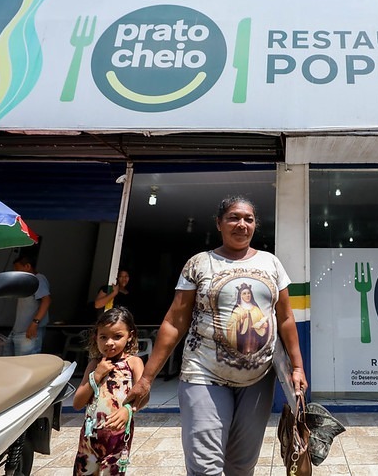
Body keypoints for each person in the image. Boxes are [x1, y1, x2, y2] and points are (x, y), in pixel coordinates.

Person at [126, 195, 308, 476]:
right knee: (205, 467)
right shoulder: (199, 263)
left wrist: (297, 367)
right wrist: (147, 379)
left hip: (258, 380)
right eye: (234, 217)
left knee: (241, 466)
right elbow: (175, 321)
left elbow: (285, 318)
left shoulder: (271, 263)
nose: (242, 224)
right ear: (219, 223)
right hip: (204, 373)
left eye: (248, 219)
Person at [73, 306, 144, 475]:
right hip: (89, 439)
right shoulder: (94, 365)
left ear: (130, 336)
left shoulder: (133, 363)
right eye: (103, 337)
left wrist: (128, 410)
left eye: (117, 336)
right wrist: (96, 376)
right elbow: (78, 403)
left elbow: (143, 394)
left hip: (118, 437)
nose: (109, 343)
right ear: (95, 337)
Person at [7, 254, 51, 356]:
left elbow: (46, 300)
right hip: (18, 331)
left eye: (17, 269)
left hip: (29, 332)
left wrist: (35, 323)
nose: (16, 272)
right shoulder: (26, 282)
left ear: (27, 266)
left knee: (25, 363)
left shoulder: (38, 279)